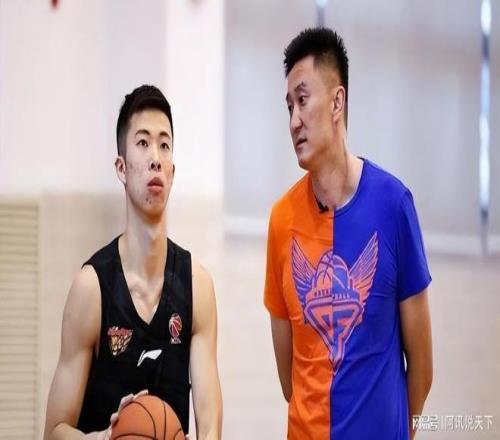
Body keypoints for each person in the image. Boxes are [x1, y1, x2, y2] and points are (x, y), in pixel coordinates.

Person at [264, 28, 432, 439]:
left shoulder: (393, 205)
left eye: (303, 100)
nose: (294, 121)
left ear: (337, 102)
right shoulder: (282, 220)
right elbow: (290, 380)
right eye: (289, 106)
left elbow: (422, 368)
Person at [44, 85, 222, 440]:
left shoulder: (197, 286)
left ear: (172, 171)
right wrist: (104, 438)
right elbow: (53, 431)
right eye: (143, 142)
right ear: (122, 168)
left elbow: (210, 421)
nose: (155, 157)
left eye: (164, 145)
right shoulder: (92, 287)